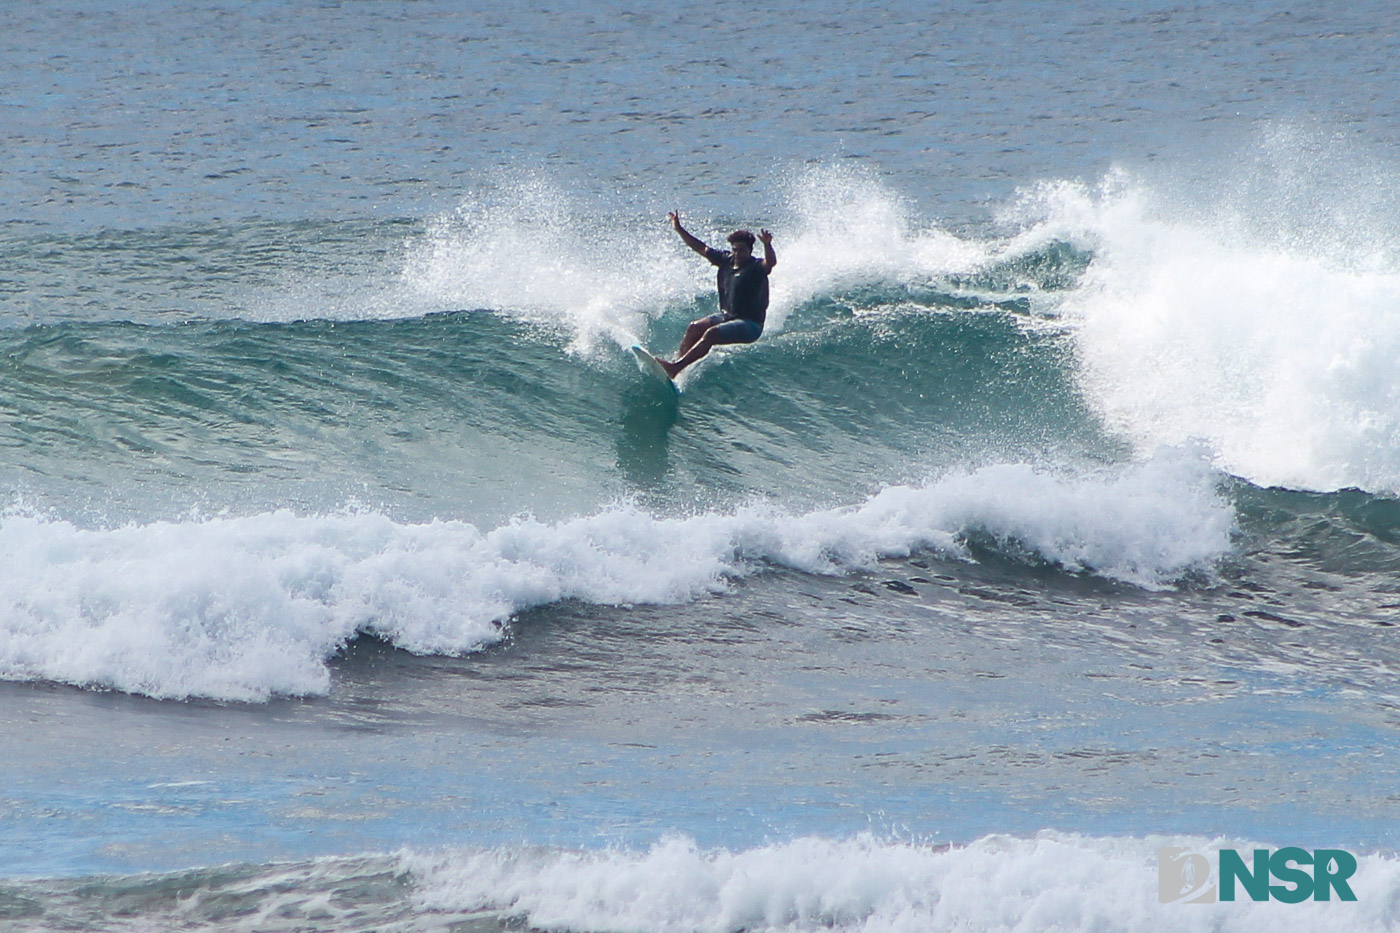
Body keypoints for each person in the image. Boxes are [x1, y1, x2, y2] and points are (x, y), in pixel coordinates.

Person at [663, 210, 776, 378]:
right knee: (694, 327)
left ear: (750, 250)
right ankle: (676, 364)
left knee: (711, 334)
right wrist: (678, 229)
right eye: (735, 250)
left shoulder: (756, 267)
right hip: (727, 316)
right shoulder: (726, 260)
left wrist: (767, 245)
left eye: (742, 250)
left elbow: (770, 263)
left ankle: (675, 368)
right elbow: (700, 247)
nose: (737, 254)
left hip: (750, 324)